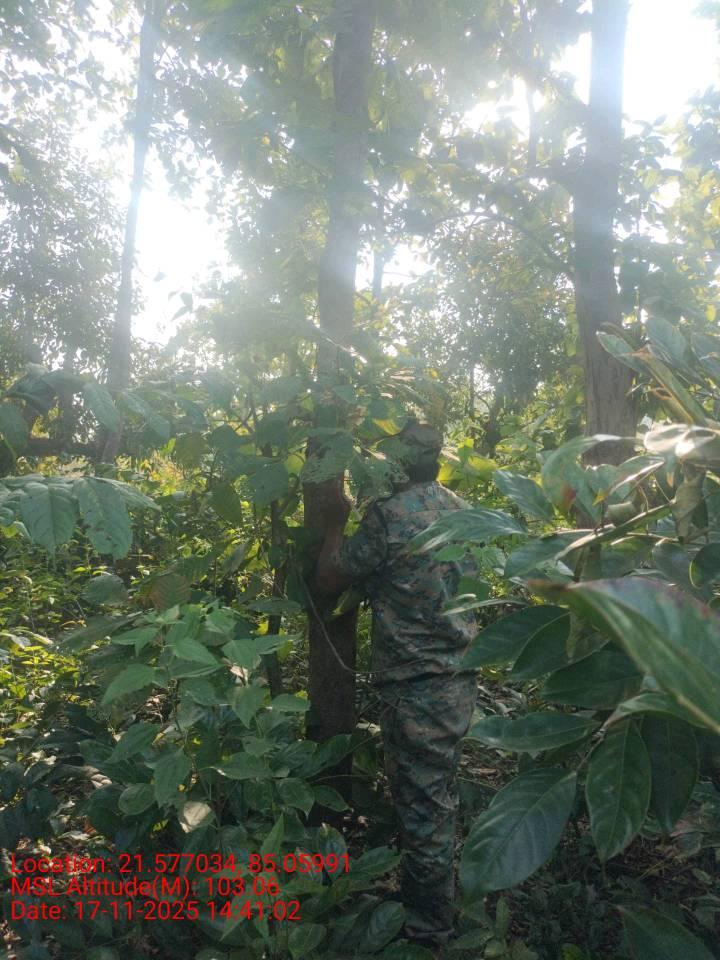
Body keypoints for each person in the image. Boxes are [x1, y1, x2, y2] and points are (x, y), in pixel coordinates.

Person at [314, 420, 478, 947]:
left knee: (425, 811)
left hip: (417, 686)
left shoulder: (388, 516)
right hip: (458, 678)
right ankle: (437, 898)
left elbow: (331, 576)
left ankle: (431, 931)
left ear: (398, 465)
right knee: (436, 795)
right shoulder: (462, 510)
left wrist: (336, 523)